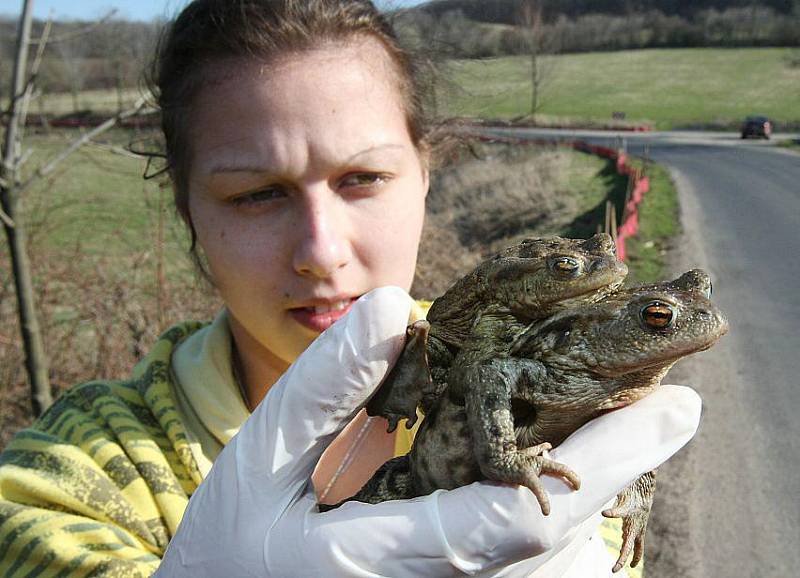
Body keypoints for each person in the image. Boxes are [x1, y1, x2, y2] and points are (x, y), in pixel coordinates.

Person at [0, 1, 701, 576]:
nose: (321, 252)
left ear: (428, 174)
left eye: (361, 179)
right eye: (255, 195)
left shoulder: (551, 375)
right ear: (188, 211)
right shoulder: (66, 475)